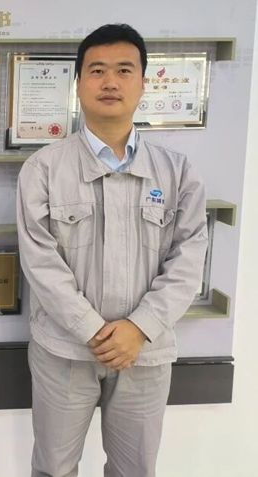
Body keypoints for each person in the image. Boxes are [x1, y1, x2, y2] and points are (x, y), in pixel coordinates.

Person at [16, 23, 208, 477]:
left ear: (143, 83)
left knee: (135, 470)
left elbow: (189, 257)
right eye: (97, 70)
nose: (110, 82)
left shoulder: (177, 172)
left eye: (124, 70)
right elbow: (40, 261)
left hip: (146, 353)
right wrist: (92, 331)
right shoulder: (43, 169)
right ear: (79, 83)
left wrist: (139, 329)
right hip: (64, 351)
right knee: (54, 468)